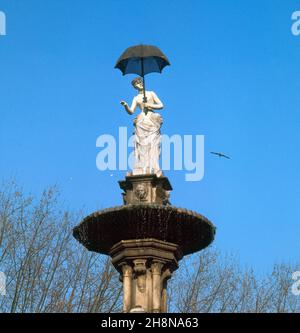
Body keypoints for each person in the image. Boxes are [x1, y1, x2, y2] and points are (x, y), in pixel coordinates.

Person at [120, 77, 163, 176]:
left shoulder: (151, 93)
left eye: (140, 82)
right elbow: (131, 111)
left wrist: (150, 105)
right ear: (135, 87)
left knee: (153, 144)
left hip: (152, 121)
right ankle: (142, 166)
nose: (139, 84)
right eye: (137, 84)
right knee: (142, 145)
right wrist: (126, 106)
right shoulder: (136, 98)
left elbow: (161, 105)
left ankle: (153, 166)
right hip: (141, 121)